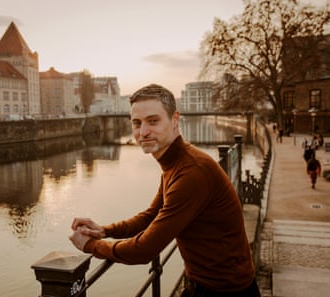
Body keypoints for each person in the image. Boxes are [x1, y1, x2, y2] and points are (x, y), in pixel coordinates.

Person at [69, 84, 261, 297]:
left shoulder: (191, 173)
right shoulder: (177, 163)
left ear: (175, 120)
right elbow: (151, 216)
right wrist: (104, 230)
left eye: (153, 121)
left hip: (227, 291)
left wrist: (91, 245)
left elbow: (144, 250)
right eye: (137, 123)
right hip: (207, 285)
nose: (143, 132)